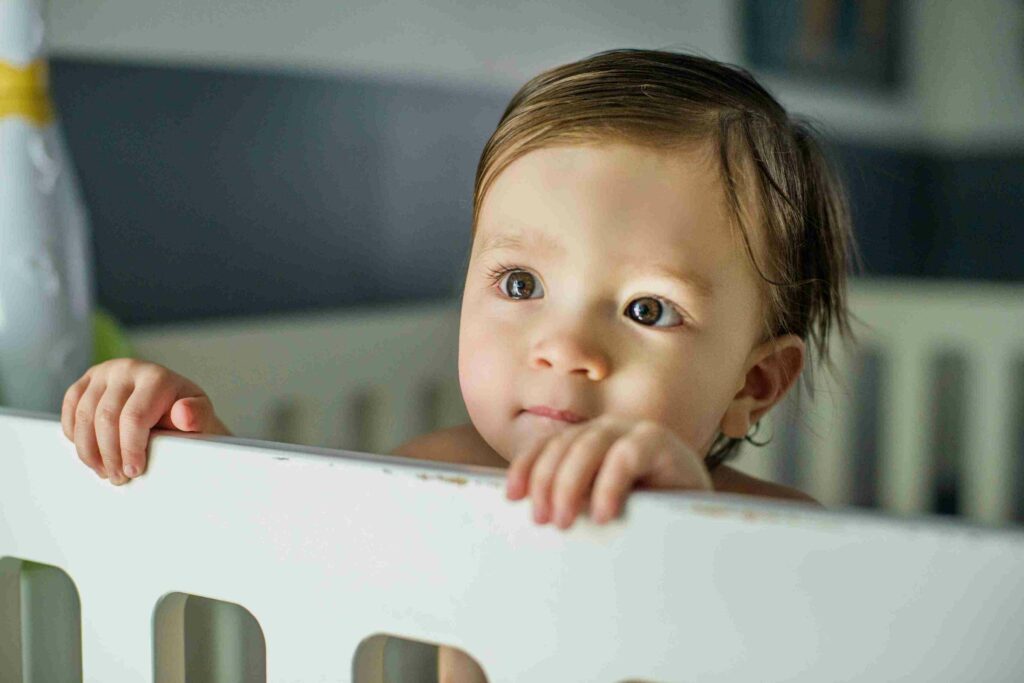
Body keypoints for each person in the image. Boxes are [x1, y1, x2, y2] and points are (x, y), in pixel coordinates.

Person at [61, 49, 854, 682]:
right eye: (521, 284)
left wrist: (692, 541)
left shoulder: (783, 539)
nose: (564, 347)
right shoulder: (428, 478)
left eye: (647, 309)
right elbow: (279, 559)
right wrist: (185, 440)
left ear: (753, 385)